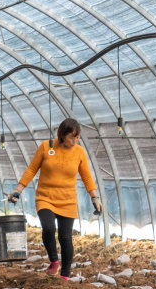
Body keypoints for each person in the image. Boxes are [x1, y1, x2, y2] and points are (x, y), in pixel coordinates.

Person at [8, 118, 102, 280]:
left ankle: (64, 275)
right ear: (62, 135)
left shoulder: (79, 152)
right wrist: (19, 189)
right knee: (49, 228)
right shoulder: (46, 147)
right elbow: (32, 169)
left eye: (78, 137)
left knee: (65, 237)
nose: (75, 140)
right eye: (72, 137)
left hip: (67, 200)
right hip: (45, 197)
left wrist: (94, 197)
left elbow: (86, 176)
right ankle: (54, 260)